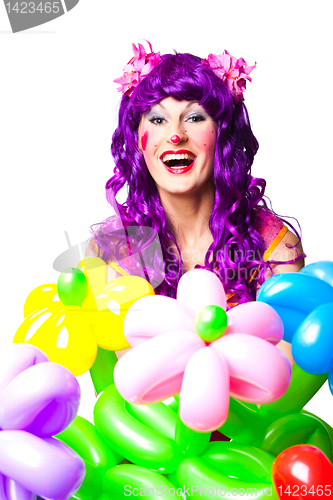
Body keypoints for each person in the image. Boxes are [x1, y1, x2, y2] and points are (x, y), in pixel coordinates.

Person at [87, 42, 305, 362]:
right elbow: (136, 386)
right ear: (137, 140)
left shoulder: (274, 247)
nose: (175, 135)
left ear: (222, 133)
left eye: (194, 117)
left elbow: (280, 384)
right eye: (158, 120)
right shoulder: (114, 252)